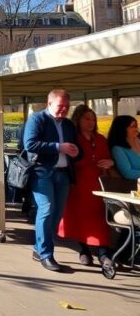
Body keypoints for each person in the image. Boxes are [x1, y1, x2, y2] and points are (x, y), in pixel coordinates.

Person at [24, 88, 80, 273]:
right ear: (49, 104)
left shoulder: (68, 125)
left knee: (56, 215)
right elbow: (30, 144)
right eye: (61, 106)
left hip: (63, 173)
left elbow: (75, 147)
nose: (64, 110)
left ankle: (38, 249)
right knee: (46, 209)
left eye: (67, 107)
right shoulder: (37, 119)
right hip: (42, 172)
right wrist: (58, 146)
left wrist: (77, 151)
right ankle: (47, 255)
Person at [58, 105, 114, 268]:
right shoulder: (74, 138)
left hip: (100, 183)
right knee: (80, 218)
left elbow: (109, 157)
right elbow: (71, 160)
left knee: (100, 218)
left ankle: (103, 251)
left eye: (93, 119)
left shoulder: (101, 138)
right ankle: (84, 249)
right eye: (86, 119)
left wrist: (110, 162)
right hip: (80, 184)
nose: (90, 122)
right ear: (78, 120)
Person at [108, 115, 140, 180]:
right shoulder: (117, 149)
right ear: (122, 129)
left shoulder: (138, 140)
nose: (136, 129)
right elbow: (128, 173)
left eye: (136, 126)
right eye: (133, 126)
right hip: (135, 186)